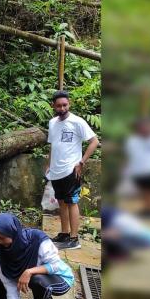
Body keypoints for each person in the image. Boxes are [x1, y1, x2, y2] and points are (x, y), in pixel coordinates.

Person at [45, 90, 99, 250]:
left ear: (69, 104)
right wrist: (48, 164)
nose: (62, 108)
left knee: (71, 202)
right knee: (61, 202)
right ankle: (64, 233)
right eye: (59, 106)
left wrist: (81, 162)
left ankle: (74, 238)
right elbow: (52, 145)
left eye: (65, 105)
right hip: (56, 171)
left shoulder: (78, 122)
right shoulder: (52, 123)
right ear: (53, 106)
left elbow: (94, 142)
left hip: (71, 170)